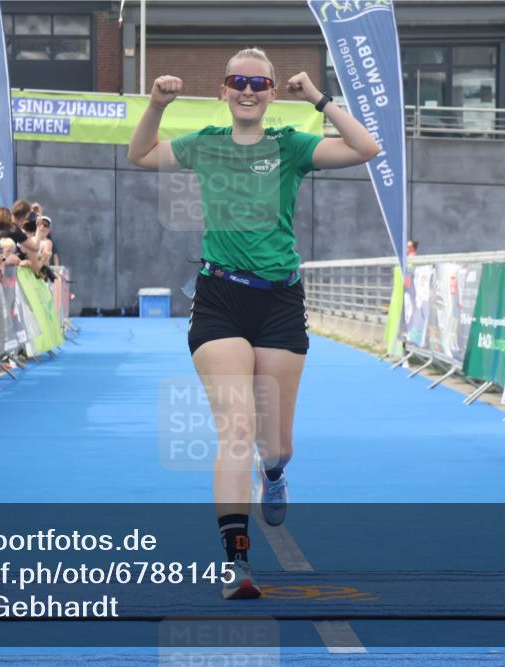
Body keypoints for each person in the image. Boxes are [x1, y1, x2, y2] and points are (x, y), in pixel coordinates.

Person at [128, 48, 380, 599]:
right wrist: (156, 105)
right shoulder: (207, 143)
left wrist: (318, 99)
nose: (248, 90)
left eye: (259, 84)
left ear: (270, 93)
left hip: (280, 302)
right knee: (236, 430)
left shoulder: (290, 145)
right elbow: (141, 154)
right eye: (238, 82)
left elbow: (366, 148)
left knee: (275, 445)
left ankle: (275, 474)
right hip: (220, 297)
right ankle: (236, 562)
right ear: (223, 89)